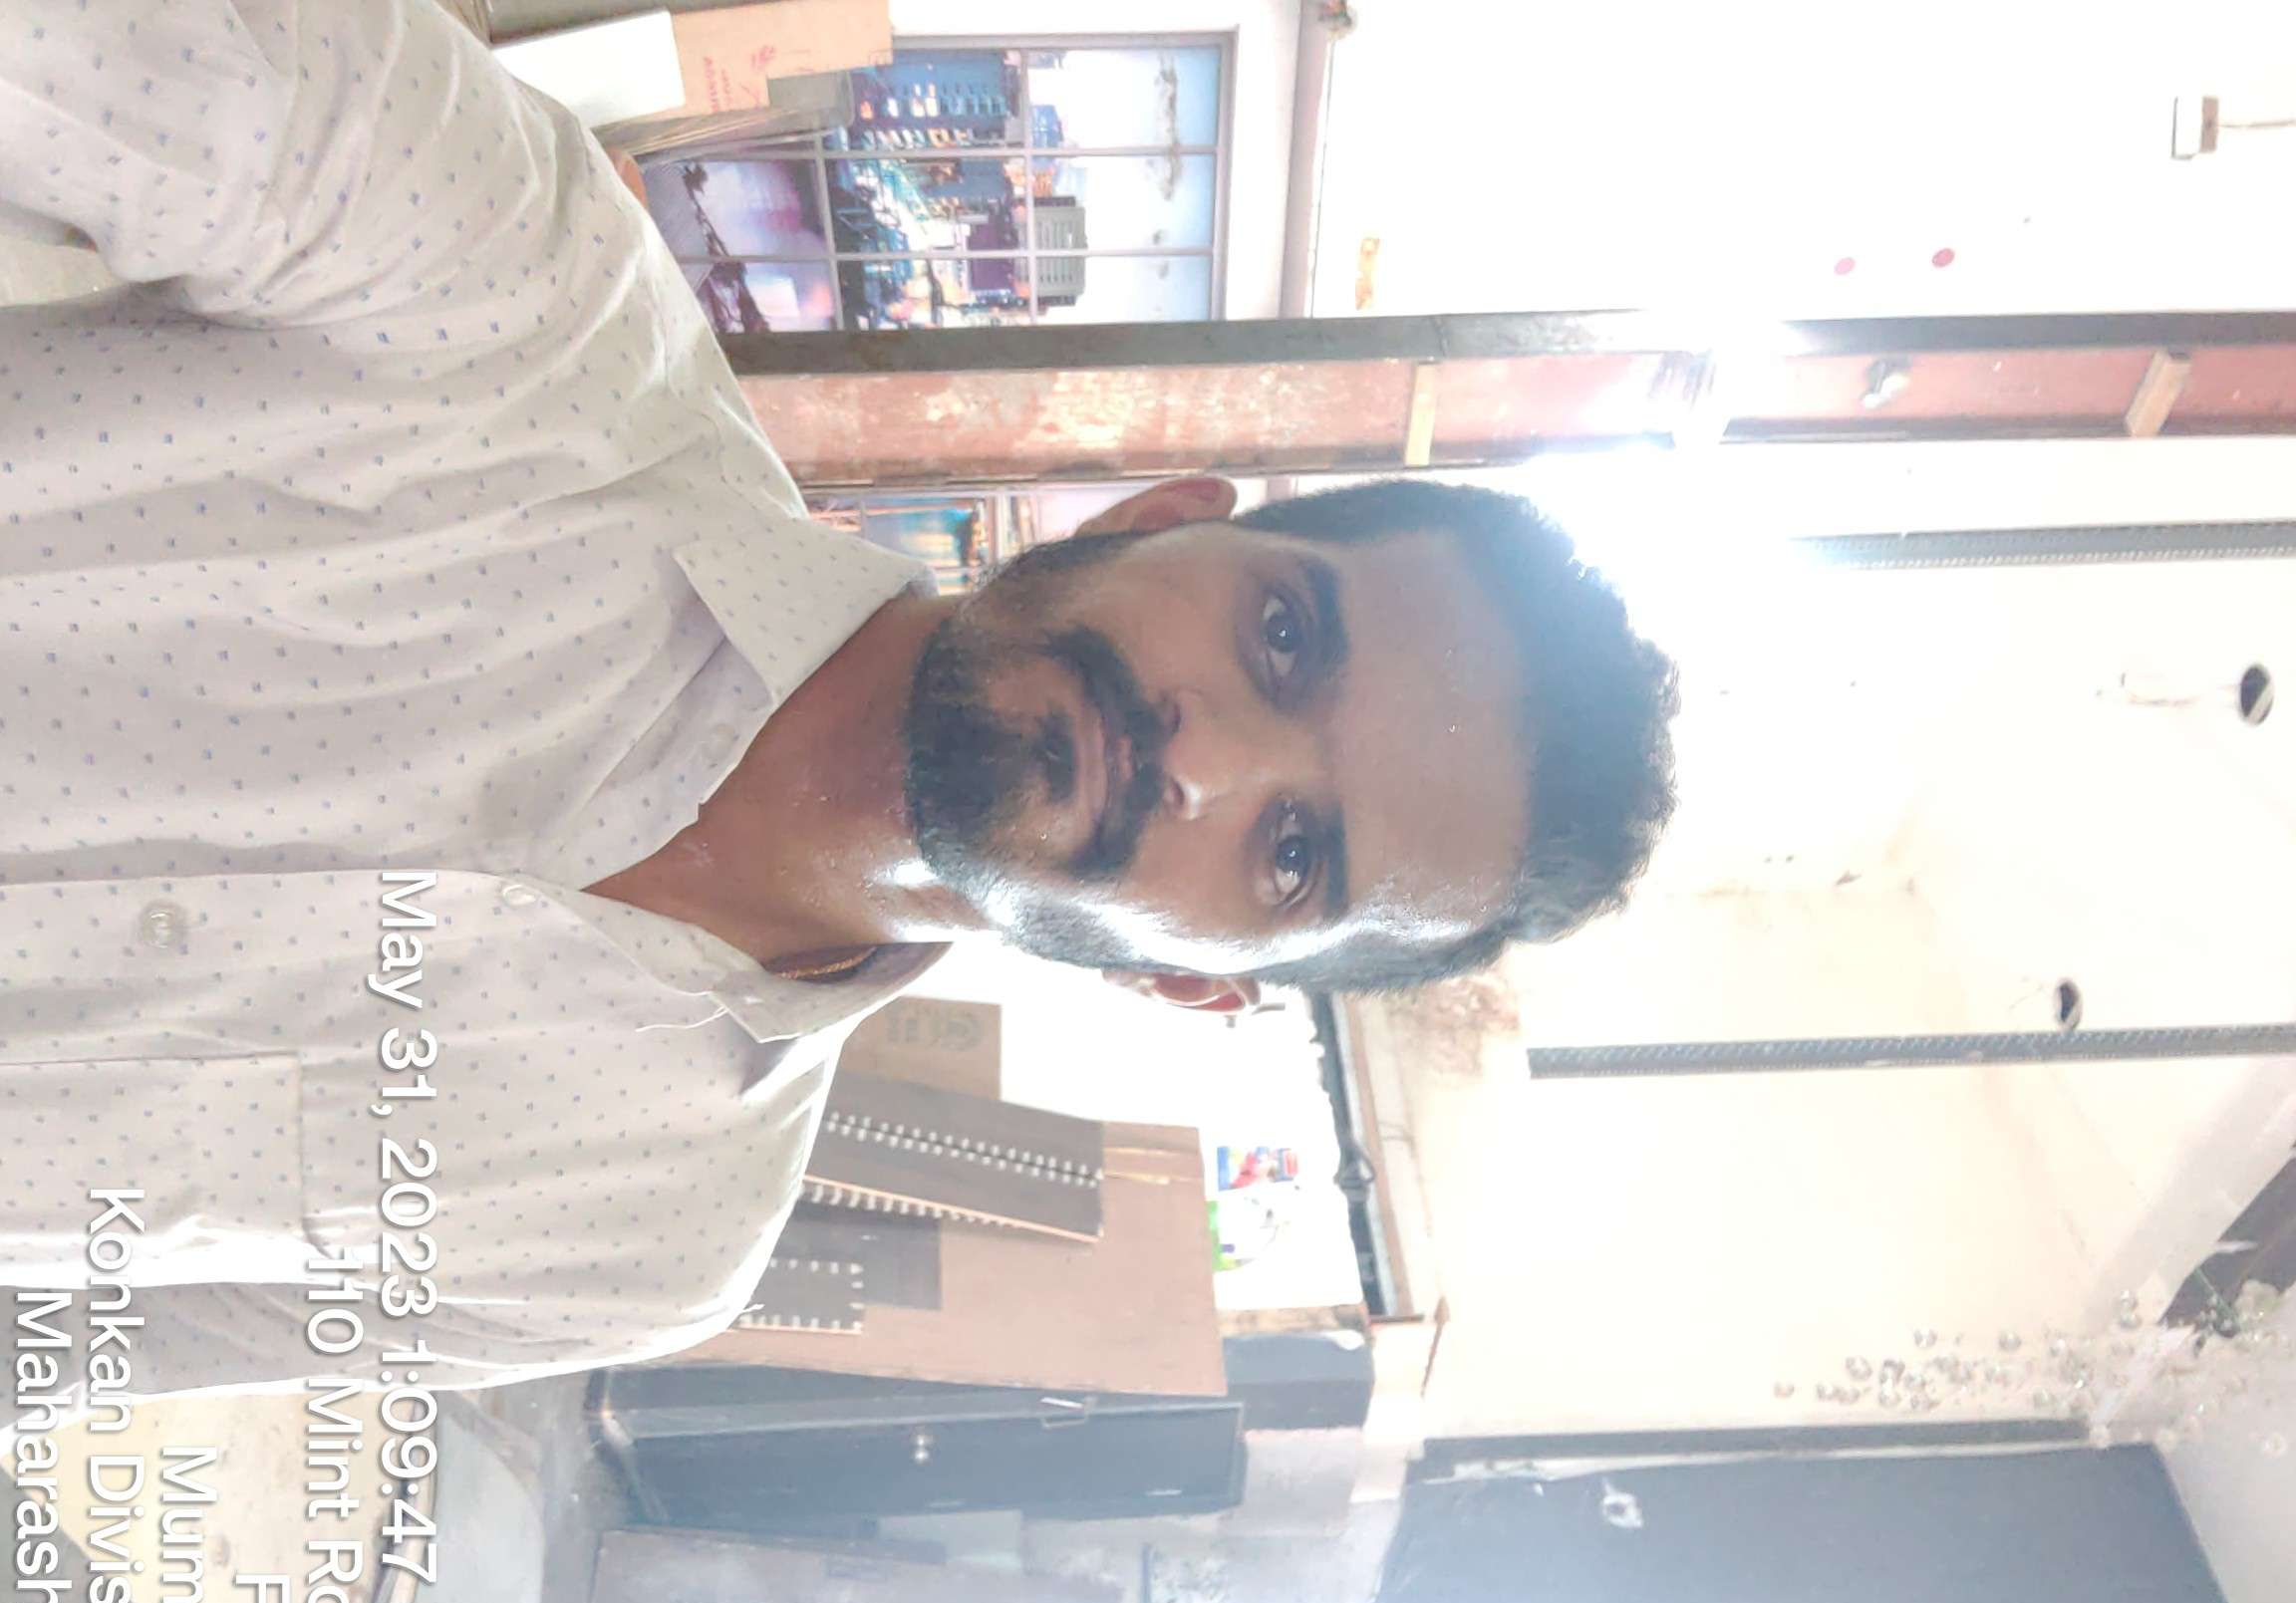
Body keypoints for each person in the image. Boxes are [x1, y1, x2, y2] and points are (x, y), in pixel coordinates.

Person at [0, 0, 1678, 1400]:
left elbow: (51, 1356)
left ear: (1195, 980)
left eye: (1294, 851)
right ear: (1160, 516)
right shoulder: (509, 292)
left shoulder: (634, 1245)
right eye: (1287, 639)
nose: (1210, 756)